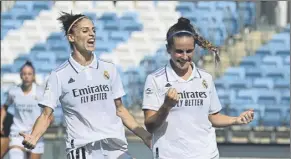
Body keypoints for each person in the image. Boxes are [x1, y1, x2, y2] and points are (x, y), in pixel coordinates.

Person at [20, 12, 151, 159]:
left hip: (116, 149)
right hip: (84, 151)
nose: (92, 34)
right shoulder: (59, 75)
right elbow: (46, 115)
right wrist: (34, 136)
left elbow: (120, 109)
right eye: (85, 31)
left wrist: (145, 136)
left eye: (93, 30)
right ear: (71, 37)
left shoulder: (109, 69)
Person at [142, 17, 254, 159]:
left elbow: (212, 117)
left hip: (206, 155)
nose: (184, 56)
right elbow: (150, 126)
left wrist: (236, 120)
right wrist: (166, 106)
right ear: (168, 49)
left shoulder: (205, 78)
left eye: (189, 51)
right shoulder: (155, 79)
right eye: (179, 51)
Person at [0, 61, 48, 159]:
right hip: (17, 133)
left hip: (35, 135)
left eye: (29, 74)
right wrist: (0, 123)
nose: (27, 76)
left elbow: (48, 114)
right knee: (15, 155)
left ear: (33, 76)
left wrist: (44, 125)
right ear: (21, 75)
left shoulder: (40, 92)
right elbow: (5, 107)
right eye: (24, 74)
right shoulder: (13, 91)